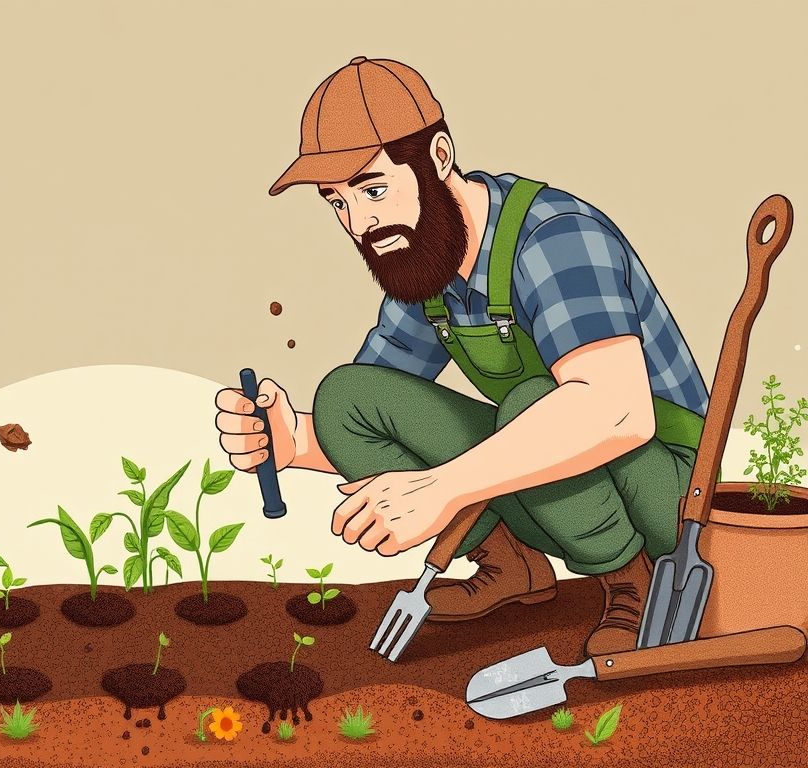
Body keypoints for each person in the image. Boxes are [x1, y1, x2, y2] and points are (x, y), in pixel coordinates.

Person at [215, 56, 709, 654]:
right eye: (337, 202)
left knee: (532, 403)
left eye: (374, 189)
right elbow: (376, 408)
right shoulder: (424, 261)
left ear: (439, 157)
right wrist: (292, 441)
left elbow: (616, 411)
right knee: (346, 399)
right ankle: (514, 565)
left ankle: (630, 582)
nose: (360, 223)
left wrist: (443, 489)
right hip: (557, 481)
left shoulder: (554, 236)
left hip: (670, 491)